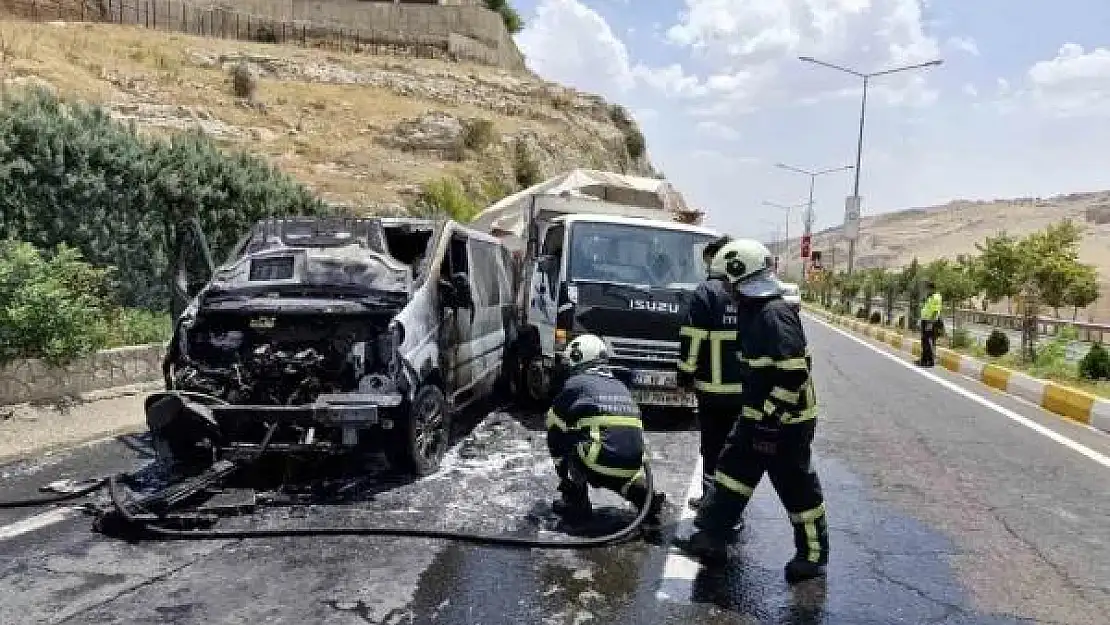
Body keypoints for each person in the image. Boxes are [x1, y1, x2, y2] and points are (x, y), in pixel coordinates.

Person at [673, 238, 829, 585]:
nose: (726, 289)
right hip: (757, 414)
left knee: (796, 487)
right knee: (731, 474)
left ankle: (813, 556)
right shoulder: (752, 310)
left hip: (787, 422)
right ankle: (710, 537)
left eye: (729, 282)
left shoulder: (775, 315)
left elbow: (793, 375)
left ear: (740, 277)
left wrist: (770, 421)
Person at [546, 334, 666, 529]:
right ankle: (640, 493)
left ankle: (576, 504)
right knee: (611, 458)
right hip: (634, 461)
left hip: (600, 459)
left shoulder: (575, 384)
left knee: (564, 435)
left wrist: (562, 470)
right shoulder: (619, 385)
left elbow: (554, 424)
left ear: (580, 357)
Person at [677, 234, 745, 512]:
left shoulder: (706, 292)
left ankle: (710, 501)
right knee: (737, 448)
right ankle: (732, 503)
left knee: (713, 447)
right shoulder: (748, 291)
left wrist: (684, 374)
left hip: (713, 390)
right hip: (745, 390)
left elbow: (692, 339)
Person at [918, 281, 943, 367]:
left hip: (930, 321)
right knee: (925, 341)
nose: (926, 290)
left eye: (927, 288)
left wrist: (930, 323)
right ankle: (924, 359)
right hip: (925, 320)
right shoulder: (930, 297)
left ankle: (929, 361)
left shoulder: (936, 297)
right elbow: (927, 309)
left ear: (931, 288)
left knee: (928, 341)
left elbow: (935, 312)